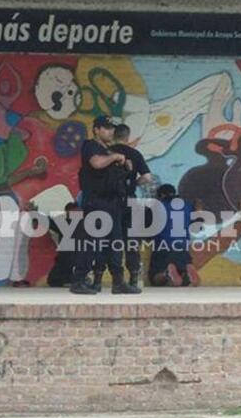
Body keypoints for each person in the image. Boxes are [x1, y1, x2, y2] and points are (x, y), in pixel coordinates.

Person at [70, 115, 139, 295]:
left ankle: (118, 282)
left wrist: (126, 165)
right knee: (91, 243)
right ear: (96, 130)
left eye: (112, 129)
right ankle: (78, 281)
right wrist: (115, 156)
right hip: (96, 201)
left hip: (113, 202)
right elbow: (96, 163)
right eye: (107, 128)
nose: (110, 132)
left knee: (115, 244)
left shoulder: (108, 150)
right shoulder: (90, 146)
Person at [92, 122, 152, 290]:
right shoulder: (135, 153)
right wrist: (133, 184)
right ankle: (133, 279)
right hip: (129, 201)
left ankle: (98, 280)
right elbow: (147, 177)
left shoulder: (106, 153)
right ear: (127, 136)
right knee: (131, 241)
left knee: (106, 240)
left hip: (108, 201)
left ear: (113, 135)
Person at [148, 184, 200, 287]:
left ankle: (167, 273)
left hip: (163, 246)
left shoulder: (157, 207)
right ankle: (187, 269)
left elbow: (147, 231)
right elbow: (197, 228)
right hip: (182, 247)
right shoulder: (188, 205)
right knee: (182, 280)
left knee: (154, 277)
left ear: (161, 195)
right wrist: (199, 210)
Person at [46, 202, 82, 287]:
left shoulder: (82, 222)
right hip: (67, 254)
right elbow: (48, 222)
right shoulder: (64, 222)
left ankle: (71, 278)